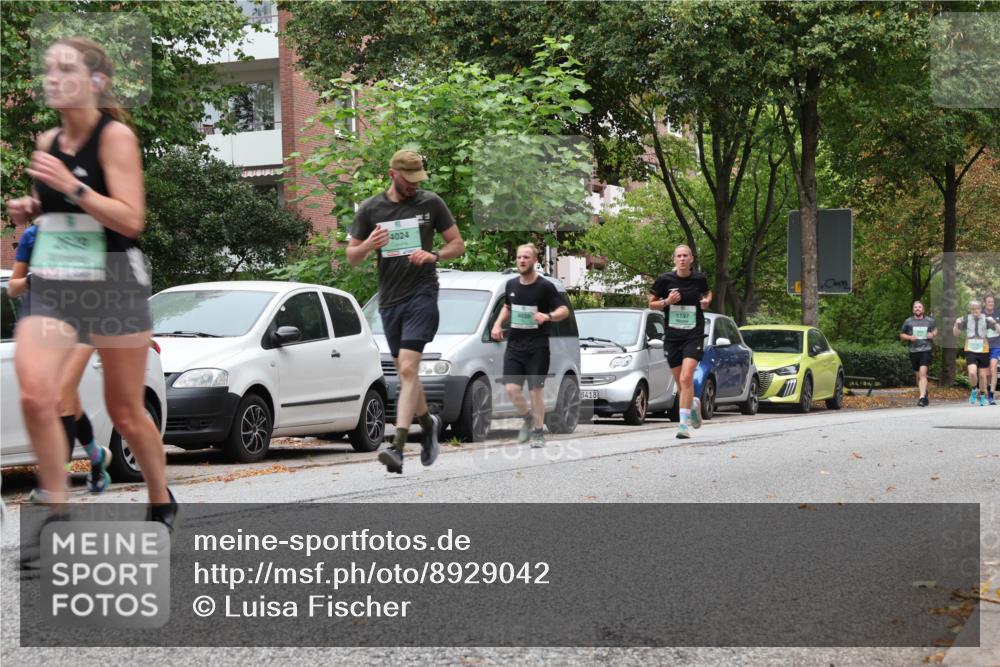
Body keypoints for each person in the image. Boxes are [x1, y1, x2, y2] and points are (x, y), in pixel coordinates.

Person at [6, 37, 175, 539]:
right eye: (48, 70)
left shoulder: (115, 137)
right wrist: (29, 208)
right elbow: (56, 208)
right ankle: (55, 512)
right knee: (39, 393)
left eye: (65, 69)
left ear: (96, 81)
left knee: (124, 408)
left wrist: (73, 184)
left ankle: (160, 497)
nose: (52, 78)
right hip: (56, 279)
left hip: (113, 278)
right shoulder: (45, 141)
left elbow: (131, 218)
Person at [347, 149, 465, 474]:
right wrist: (369, 245)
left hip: (423, 294)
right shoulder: (371, 209)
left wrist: (435, 255)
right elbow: (351, 257)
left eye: (418, 180)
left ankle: (397, 447)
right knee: (407, 373)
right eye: (408, 180)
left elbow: (458, 243)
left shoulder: (431, 203)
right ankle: (428, 424)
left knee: (409, 369)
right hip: (389, 300)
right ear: (392, 175)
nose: (414, 186)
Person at [8, 223, 113, 492]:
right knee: (69, 403)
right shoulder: (32, 235)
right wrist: (32, 280)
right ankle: (96, 456)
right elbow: (12, 289)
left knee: (60, 399)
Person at [490, 244, 569, 448]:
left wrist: (548, 316)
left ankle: (538, 432)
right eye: (519, 257)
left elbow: (564, 310)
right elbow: (508, 307)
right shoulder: (511, 285)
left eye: (526, 257)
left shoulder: (544, 286)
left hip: (537, 347)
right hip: (515, 346)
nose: (522, 260)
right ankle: (527, 417)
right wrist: (498, 324)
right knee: (511, 389)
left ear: (534, 260)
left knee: (535, 391)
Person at [648, 245, 712, 439]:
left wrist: (706, 301)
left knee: (686, 378)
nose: (682, 259)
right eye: (679, 256)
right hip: (673, 337)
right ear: (673, 259)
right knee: (680, 382)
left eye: (686, 256)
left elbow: (708, 293)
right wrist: (667, 302)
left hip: (694, 335)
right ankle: (692, 403)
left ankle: (683, 425)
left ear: (691, 259)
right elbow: (651, 303)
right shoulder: (665, 280)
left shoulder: (699, 278)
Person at [952, 300, 999, 407]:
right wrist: (956, 324)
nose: (974, 311)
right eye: (972, 309)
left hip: (983, 350)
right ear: (970, 310)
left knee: (983, 376)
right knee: (972, 372)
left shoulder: (986, 319)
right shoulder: (966, 319)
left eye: (977, 309)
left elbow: (998, 331)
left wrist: (995, 323)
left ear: (980, 309)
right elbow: (956, 333)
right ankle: (974, 390)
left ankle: (982, 396)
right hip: (970, 349)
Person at [899, 300, 937, 407]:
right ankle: (924, 393)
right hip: (913, 351)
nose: (917, 309)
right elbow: (902, 334)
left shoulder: (930, 321)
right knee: (918, 377)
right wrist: (910, 337)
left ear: (923, 309)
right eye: (916, 307)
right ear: (913, 309)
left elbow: (935, 331)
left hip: (926, 350)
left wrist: (932, 334)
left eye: (919, 307)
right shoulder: (908, 321)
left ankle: (921, 398)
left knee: (923, 373)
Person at [984, 293, 999, 405]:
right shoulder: (980, 315)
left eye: (992, 302)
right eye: (989, 302)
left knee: (993, 368)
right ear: (985, 303)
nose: (991, 304)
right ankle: (987, 391)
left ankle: (992, 393)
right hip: (983, 346)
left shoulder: (998, 314)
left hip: (996, 345)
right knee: (987, 371)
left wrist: (994, 323)